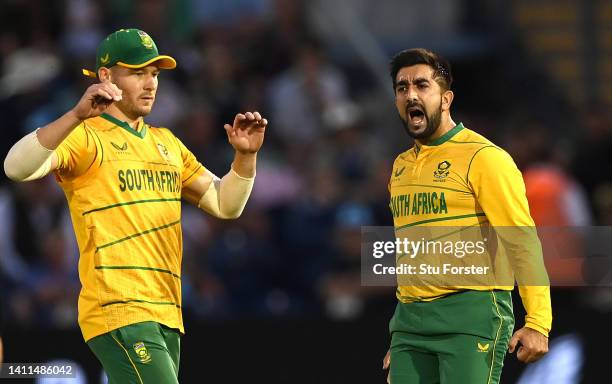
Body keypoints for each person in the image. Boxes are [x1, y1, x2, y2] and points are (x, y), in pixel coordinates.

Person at [3, 28, 267, 383]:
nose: (150, 83)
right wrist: (75, 115)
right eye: (137, 72)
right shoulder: (84, 135)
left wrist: (245, 158)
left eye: (154, 73)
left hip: (167, 311)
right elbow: (15, 167)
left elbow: (225, 204)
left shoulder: (167, 143)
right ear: (106, 76)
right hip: (118, 308)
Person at [381, 48, 551, 384]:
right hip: (410, 325)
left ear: (446, 99)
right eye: (402, 88)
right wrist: (401, 339)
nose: (410, 94)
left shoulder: (485, 158)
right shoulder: (400, 166)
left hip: (471, 315)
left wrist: (538, 322)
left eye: (421, 85)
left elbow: (522, 241)